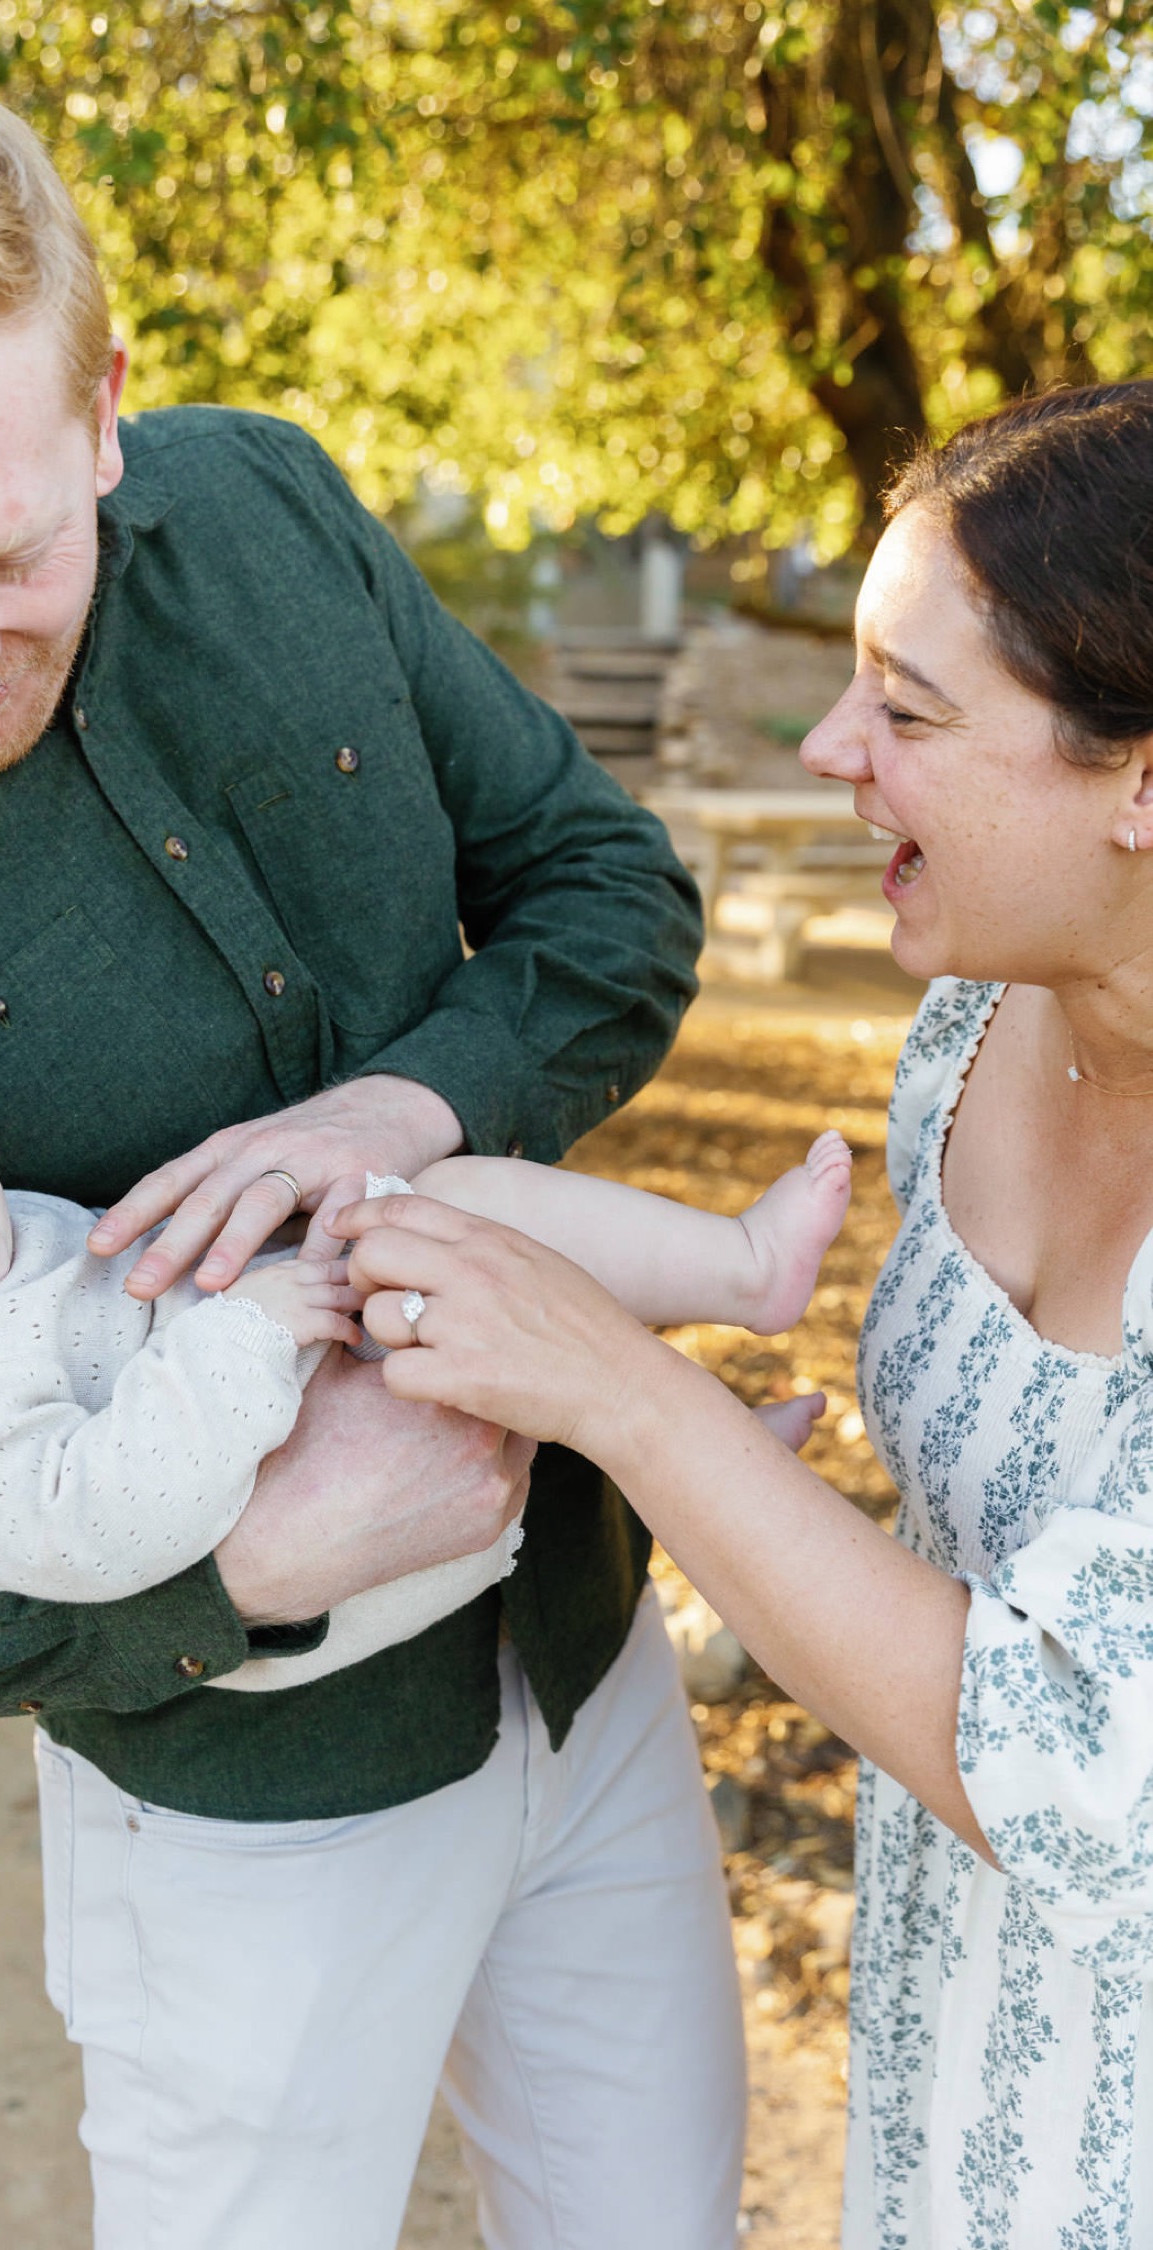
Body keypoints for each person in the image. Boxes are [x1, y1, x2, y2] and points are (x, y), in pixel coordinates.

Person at [0, 71, 747, 2250]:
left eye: (11, 552)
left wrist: (403, 1105)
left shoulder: (274, 507)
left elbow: (603, 900)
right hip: (251, 1815)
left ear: (107, 406)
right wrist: (236, 1575)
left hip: (594, 1648)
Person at [342, 380, 1153, 2248]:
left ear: (1138, 776)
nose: (826, 745)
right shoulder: (965, 1039)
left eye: (910, 711)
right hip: (958, 2066)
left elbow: (1078, 1758)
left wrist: (632, 1398)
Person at [0, 1000, 849, 1680]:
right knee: (460, 1278)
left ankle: (729, 1319)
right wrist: (252, 1333)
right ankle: (710, 1422)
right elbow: (95, 1527)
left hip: (297, 1363)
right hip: (330, 1532)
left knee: (459, 1221)